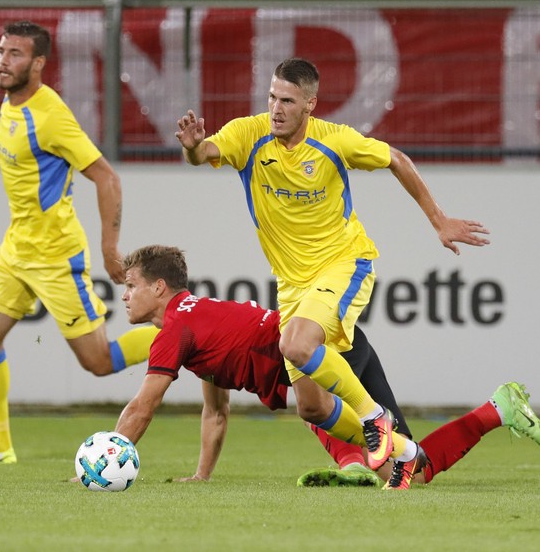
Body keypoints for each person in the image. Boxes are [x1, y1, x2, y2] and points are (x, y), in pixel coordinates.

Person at [175, 57, 491, 487]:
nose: (276, 108)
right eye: (271, 97)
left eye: (287, 100)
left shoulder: (334, 140)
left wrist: (439, 220)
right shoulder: (249, 135)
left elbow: (395, 158)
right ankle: (406, 452)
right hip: (294, 287)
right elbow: (204, 154)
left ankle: (375, 420)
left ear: (310, 104)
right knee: (312, 407)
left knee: (296, 343)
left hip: (345, 264)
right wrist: (193, 146)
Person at [109, 245, 540, 491]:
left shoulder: (176, 330)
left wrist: (102, 462)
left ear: (159, 287)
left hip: (326, 359)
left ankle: (497, 409)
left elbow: (142, 407)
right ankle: (360, 462)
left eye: (131, 286)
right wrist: (202, 475)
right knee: (315, 411)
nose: (125, 296)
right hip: (320, 361)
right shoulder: (195, 319)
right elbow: (215, 411)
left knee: (412, 468)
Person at [0, 21, 156, 465]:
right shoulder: (15, 104)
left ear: (39, 63)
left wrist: (109, 249)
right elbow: (9, 126)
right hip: (16, 250)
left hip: (54, 255)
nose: (3, 61)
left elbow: (107, 177)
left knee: (99, 361)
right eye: (1, 51)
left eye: (15, 54)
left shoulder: (51, 116)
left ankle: (179, 336)